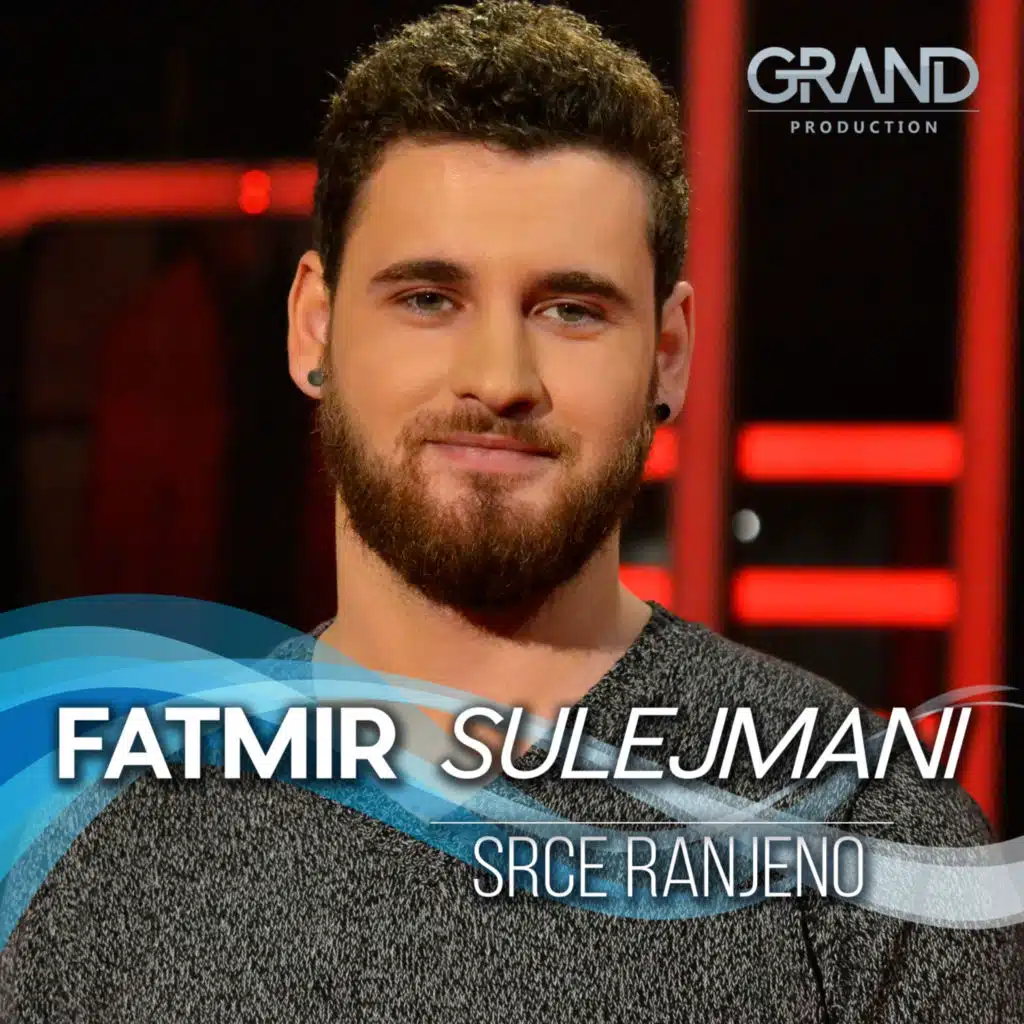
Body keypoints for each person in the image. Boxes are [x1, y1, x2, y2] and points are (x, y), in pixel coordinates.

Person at [2, 3, 1021, 1021]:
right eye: (427, 299)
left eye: (571, 310)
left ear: (668, 354)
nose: (498, 377)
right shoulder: (91, 849)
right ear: (314, 325)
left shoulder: (877, 841)